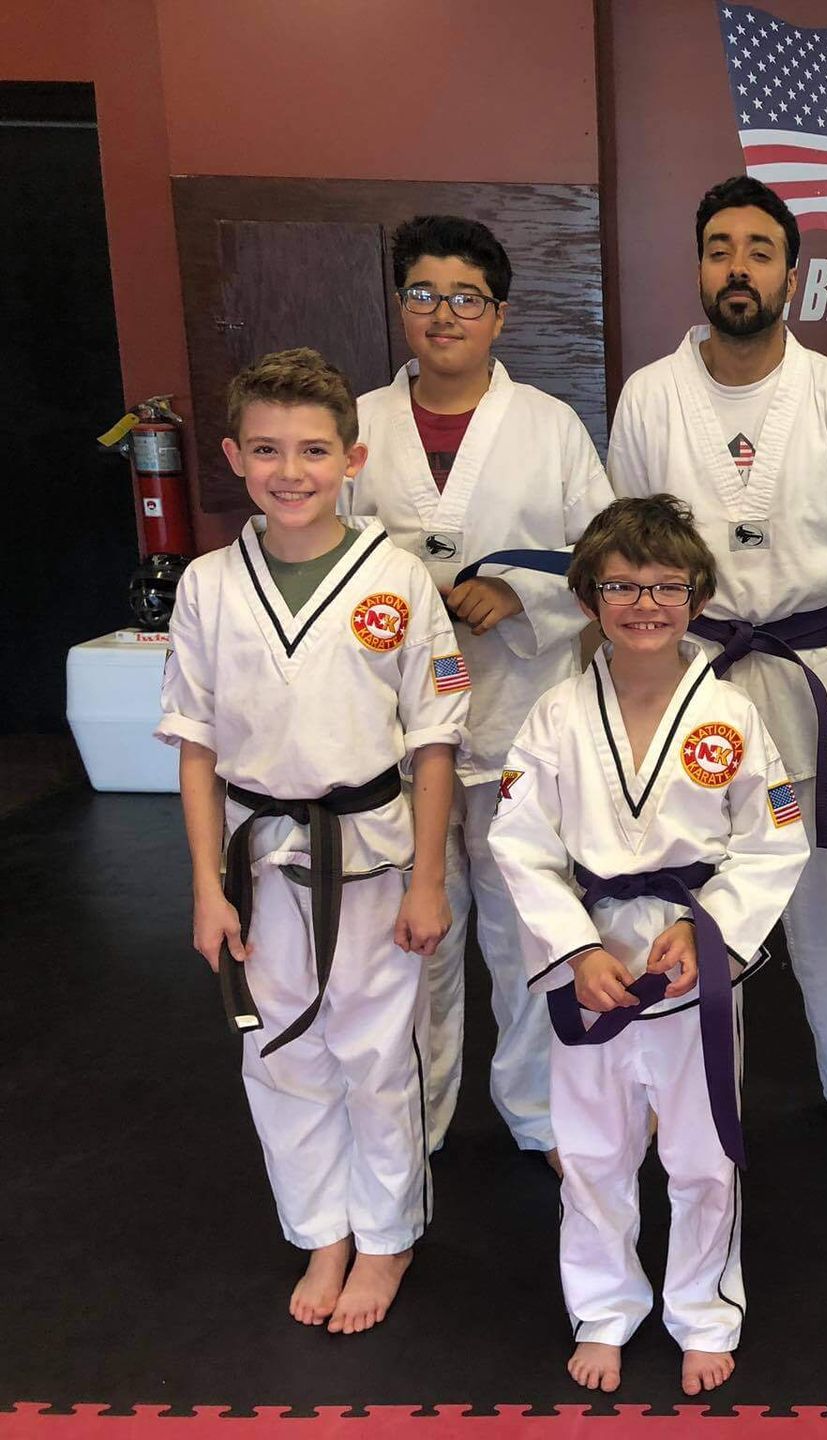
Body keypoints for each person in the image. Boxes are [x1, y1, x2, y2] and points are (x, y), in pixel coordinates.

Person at [157, 348, 467, 1334]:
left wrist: (429, 880)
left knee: (378, 1051)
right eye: (267, 450)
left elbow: (434, 744)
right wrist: (207, 887)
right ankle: (320, 1226)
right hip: (256, 858)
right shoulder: (208, 585)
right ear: (232, 458)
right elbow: (197, 750)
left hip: (373, 852)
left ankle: (386, 1235)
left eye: (313, 450)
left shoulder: (401, 578)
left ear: (353, 458)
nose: (291, 471)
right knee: (280, 1048)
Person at [488, 496, 809, 1396]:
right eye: (622, 585)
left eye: (666, 585)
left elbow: (773, 838)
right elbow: (518, 840)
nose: (645, 604)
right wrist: (575, 949)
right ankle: (603, 1307)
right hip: (589, 955)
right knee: (592, 1148)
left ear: (698, 595)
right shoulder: (554, 714)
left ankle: (704, 1309)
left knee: (704, 1150)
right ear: (590, 595)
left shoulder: (732, 714)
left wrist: (706, 928)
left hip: (692, 953)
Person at [608, 177, 827, 1152]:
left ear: (792, 273)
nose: (739, 266)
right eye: (721, 246)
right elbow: (625, 548)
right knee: (677, 879)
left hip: (807, 676)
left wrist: (803, 630)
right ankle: (668, 1088)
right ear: (698, 265)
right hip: (686, 676)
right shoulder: (650, 397)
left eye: (760, 250)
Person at [348, 214, 613, 1164]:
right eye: (424, 294)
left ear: (499, 315)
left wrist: (522, 592)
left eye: (467, 298)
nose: (444, 315)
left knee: (525, 925)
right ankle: (411, 1121)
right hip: (390, 727)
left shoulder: (547, 425)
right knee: (406, 934)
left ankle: (540, 1113)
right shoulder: (360, 429)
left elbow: (604, 560)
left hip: (515, 716)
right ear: (401, 307)